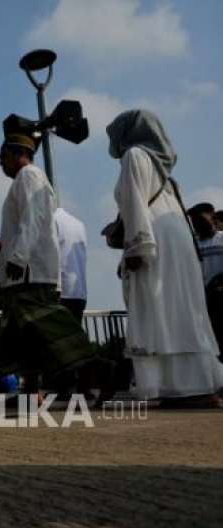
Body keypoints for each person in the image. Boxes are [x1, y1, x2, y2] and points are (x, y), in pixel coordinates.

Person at [107, 109, 223, 407]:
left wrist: (136, 247)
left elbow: (135, 203)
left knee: (161, 310)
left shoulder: (135, 155)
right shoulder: (163, 172)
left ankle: (186, 387)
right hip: (176, 241)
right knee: (178, 310)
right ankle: (186, 386)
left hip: (156, 240)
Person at [0, 133, 114, 405]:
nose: (1, 165)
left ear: (17, 154)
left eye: (3, 158)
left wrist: (18, 257)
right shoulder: (26, 180)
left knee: (53, 331)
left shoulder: (29, 176)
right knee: (25, 336)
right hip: (22, 273)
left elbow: (32, 219)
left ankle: (99, 369)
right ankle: (31, 392)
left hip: (28, 273)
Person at [188, 202, 223, 361]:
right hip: (201, 300)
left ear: (213, 218)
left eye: (201, 220)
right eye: (194, 222)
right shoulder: (191, 244)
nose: (197, 224)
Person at [54, 207, 88, 323]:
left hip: (62, 292)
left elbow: (53, 254)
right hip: (80, 292)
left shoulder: (52, 221)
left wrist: (57, 286)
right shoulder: (80, 225)